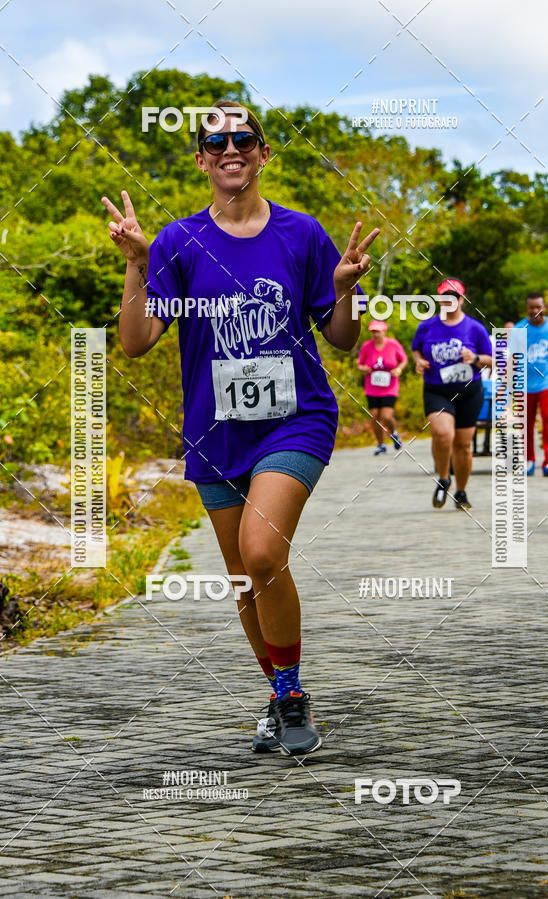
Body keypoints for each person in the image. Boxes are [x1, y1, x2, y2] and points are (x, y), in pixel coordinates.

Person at [101, 100, 379, 756]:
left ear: (263, 153)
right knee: (245, 581)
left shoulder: (303, 235)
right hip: (215, 432)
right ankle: (282, 694)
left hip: (296, 418)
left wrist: (342, 289)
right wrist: (137, 263)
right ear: (200, 158)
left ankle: (290, 698)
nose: (232, 149)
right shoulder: (178, 243)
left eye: (245, 139)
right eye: (217, 141)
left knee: (262, 550)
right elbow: (137, 341)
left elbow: (340, 339)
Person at [411, 278, 493, 510]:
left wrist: (475, 358)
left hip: (469, 391)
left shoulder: (475, 328)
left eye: (454, 298)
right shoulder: (426, 327)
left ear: (462, 300)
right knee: (442, 433)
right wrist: (419, 362)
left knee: (463, 446)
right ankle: (444, 478)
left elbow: (491, 361)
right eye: (445, 298)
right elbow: (416, 349)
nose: (450, 302)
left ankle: (461, 492)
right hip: (437, 389)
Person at [514, 294, 548, 477]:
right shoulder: (519, 328)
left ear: (544, 307)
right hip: (525, 384)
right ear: (527, 308)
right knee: (526, 424)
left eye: (538, 307)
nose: (535, 311)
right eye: (531, 308)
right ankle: (529, 460)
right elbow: (513, 359)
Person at [357, 320, 407, 455]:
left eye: (378, 331)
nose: (376, 334)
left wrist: (398, 369)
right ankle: (380, 444)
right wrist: (364, 368)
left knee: (386, 415)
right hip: (372, 387)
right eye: (373, 331)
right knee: (374, 416)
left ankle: (393, 433)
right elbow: (359, 364)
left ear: (384, 331)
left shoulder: (393, 344)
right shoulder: (367, 346)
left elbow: (404, 360)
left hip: (390, 386)